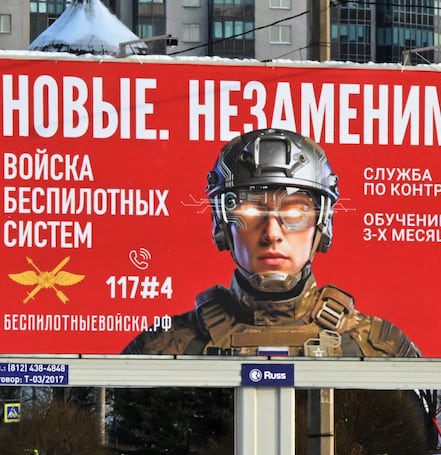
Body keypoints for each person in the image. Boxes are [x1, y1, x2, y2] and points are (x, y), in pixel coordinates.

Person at [123, 128, 420, 357]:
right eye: (251, 210)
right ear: (222, 223)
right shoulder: (165, 347)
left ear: (322, 222)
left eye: (294, 211)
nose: (272, 233)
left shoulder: (379, 347)